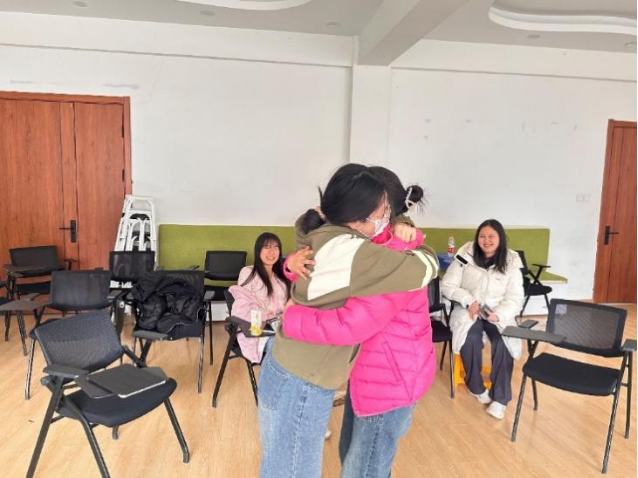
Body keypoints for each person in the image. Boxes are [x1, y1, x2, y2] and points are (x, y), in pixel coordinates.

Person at [258, 164, 439, 478]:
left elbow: (352, 324)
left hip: (391, 380)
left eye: (384, 210)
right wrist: (290, 264)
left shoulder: (385, 254)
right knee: (347, 459)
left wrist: (292, 316)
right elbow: (319, 266)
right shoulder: (354, 243)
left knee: (362, 469)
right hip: (363, 374)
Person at [441, 219, 524, 419]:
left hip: (497, 312)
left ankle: (500, 399)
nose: (486, 241)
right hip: (469, 309)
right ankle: (475, 386)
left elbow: (515, 298)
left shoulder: (511, 261)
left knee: (504, 343)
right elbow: (447, 285)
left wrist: (499, 315)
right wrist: (469, 301)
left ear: (500, 238)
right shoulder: (465, 255)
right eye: (482, 236)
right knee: (470, 338)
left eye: (491, 236)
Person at [228, 233, 290, 364]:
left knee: (306, 345)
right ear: (258, 250)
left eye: (276, 247)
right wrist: (268, 316)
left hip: (281, 327)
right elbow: (243, 306)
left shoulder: (281, 278)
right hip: (258, 330)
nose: (272, 251)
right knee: (283, 348)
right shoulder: (248, 273)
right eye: (267, 247)